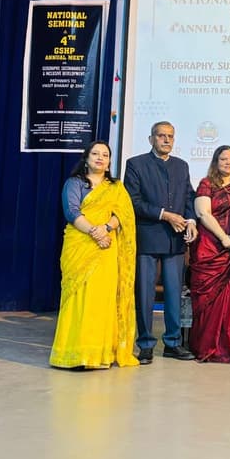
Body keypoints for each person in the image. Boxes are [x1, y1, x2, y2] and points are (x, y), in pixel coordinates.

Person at [50, 140, 139, 369]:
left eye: (105, 155)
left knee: (102, 299)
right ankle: (74, 354)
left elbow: (123, 214)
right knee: (79, 298)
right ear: (86, 158)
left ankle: (99, 355)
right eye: (96, 154)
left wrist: (106, 228)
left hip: (107, 248)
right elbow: (71, 212)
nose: (100, 158)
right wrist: (94, 232)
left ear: (109, 162)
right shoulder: (74, 183)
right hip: (80, 244)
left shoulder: (116, 187)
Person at [124, 121, 197, 364]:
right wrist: (165, 215)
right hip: (148, 237)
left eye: (170, 136)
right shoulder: (136, 164)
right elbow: (133, 202)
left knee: (174, 293)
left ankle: (173, 343)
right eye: (161, 135)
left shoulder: (181, 166)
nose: (166, 140)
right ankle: (145, 344)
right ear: (151, 139)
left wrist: (191, 221)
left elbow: (189, 197)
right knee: (145, 294)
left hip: (175, 239)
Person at [188, 145, 230, 363]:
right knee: (207, 300)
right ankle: (206, 346)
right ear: (216, 162)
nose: (228, 163)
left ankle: (229, 344)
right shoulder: (207, 184)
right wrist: (224, 238)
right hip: (210, 248)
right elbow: (203, 213)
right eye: (223, 159)